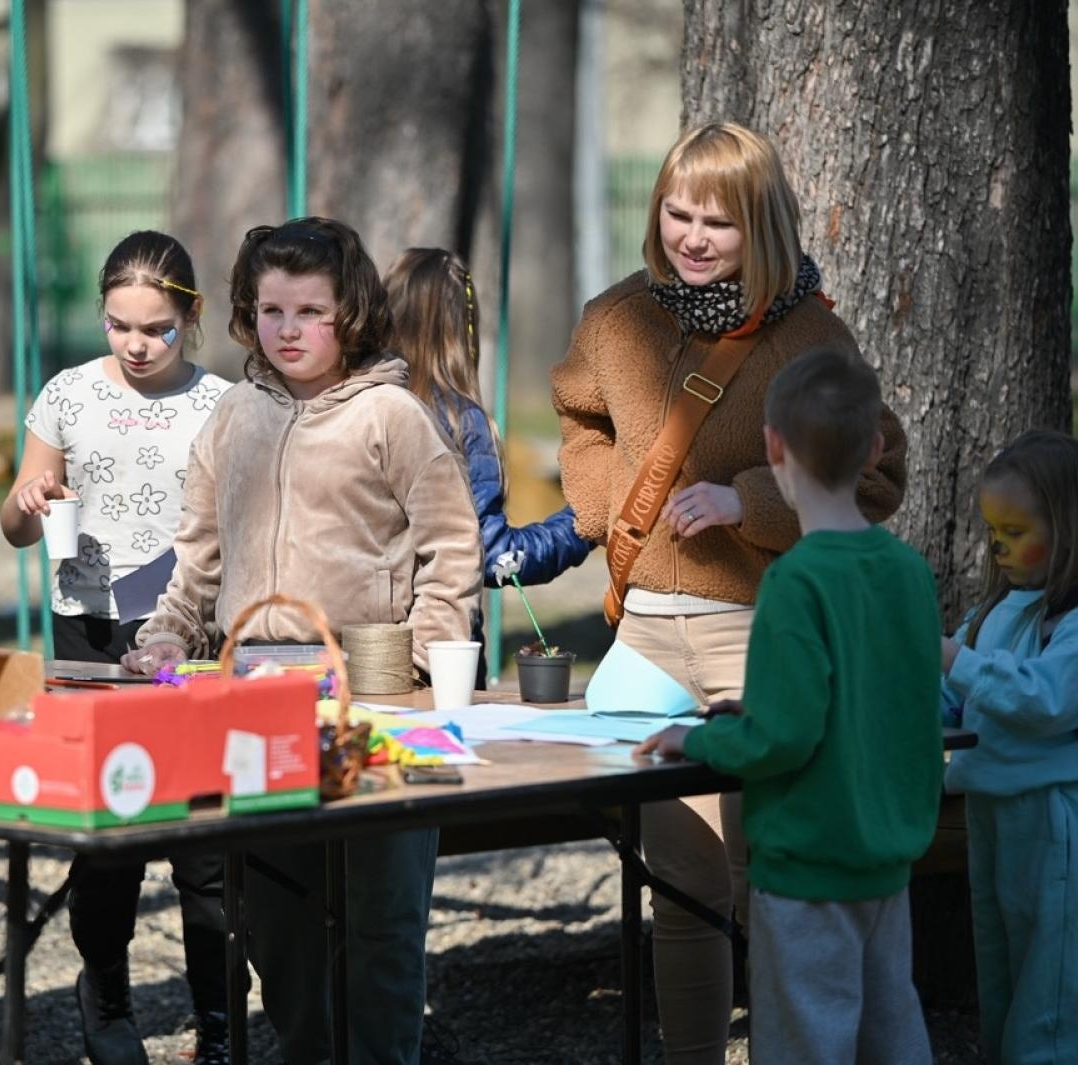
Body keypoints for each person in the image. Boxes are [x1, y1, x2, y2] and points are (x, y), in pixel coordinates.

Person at [550, 121, 908, 1063]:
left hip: (757, 633)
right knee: (682, 885)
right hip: (643, 633)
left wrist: (749, 499)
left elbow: (874, 475)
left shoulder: (811, 332)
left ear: (763, 225)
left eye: (719, 220)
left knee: (767, 874)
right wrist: (605, 499)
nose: (693, 236)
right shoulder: (614, 315)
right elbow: (579, 418)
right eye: (677, 212)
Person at [121, 217, 482, 1064]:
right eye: (271, 309)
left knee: (380, 919)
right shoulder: (234, 415)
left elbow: (452, 544)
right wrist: (168, 634)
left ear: (350, 312)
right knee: (272, 915)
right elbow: (199, 554)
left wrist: (422, 656)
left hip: (373, 694)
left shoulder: (392, 414)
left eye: (309, 311)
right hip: (251, 694)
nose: (287, 329)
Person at [635, 348, 940, 1065]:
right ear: (873, 449)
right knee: (892, 1038)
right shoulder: (909, 573)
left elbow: (784, 737)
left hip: (808, 870)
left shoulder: (796, 581)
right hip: (889, 861)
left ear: (772, 447)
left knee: (807, 1044)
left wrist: (702, 739)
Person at [0, 230, 232, 1065]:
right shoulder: (67, 395)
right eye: (119, 324)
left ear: (191, 318)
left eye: (157, 328)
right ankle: (108, 999)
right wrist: (29, 499)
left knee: (205, 843)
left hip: (186, 628)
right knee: (113, 831)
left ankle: (219, 1016)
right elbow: (16, 528)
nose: (136, 344)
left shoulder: (220, 404)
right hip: (89, 631)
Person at [938, 429, 1078, 1064]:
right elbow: (951, 694)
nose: (998, 546)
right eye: (992, 531)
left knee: (1054, 975)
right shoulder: (999, 611)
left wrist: (955, 660)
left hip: (1057, 814)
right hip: (993, 806)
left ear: (1071, 527)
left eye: (1014, 531)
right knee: (1001, 958)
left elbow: (1044, 700)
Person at [384, 246, 592, 610]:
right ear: (464, 330)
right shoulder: (459, 421)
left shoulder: (353, 405)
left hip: (354, 643)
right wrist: (587, 518)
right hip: (438, 647)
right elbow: (496, 555)